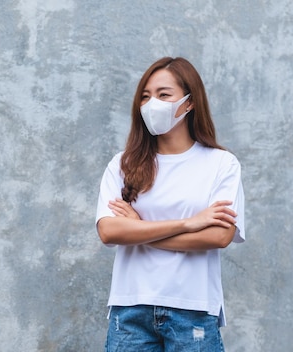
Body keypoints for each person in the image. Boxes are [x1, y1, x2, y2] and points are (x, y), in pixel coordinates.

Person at [95, 57, 245, 351]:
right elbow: (109, 232)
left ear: (189, 102)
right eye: (146, 96)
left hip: (194, 308)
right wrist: (187, 223)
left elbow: (218, 236)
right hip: (130, 309)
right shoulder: (123, 164)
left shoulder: (221, 164)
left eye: (164, 95)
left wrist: (138, 228)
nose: (153, 104)